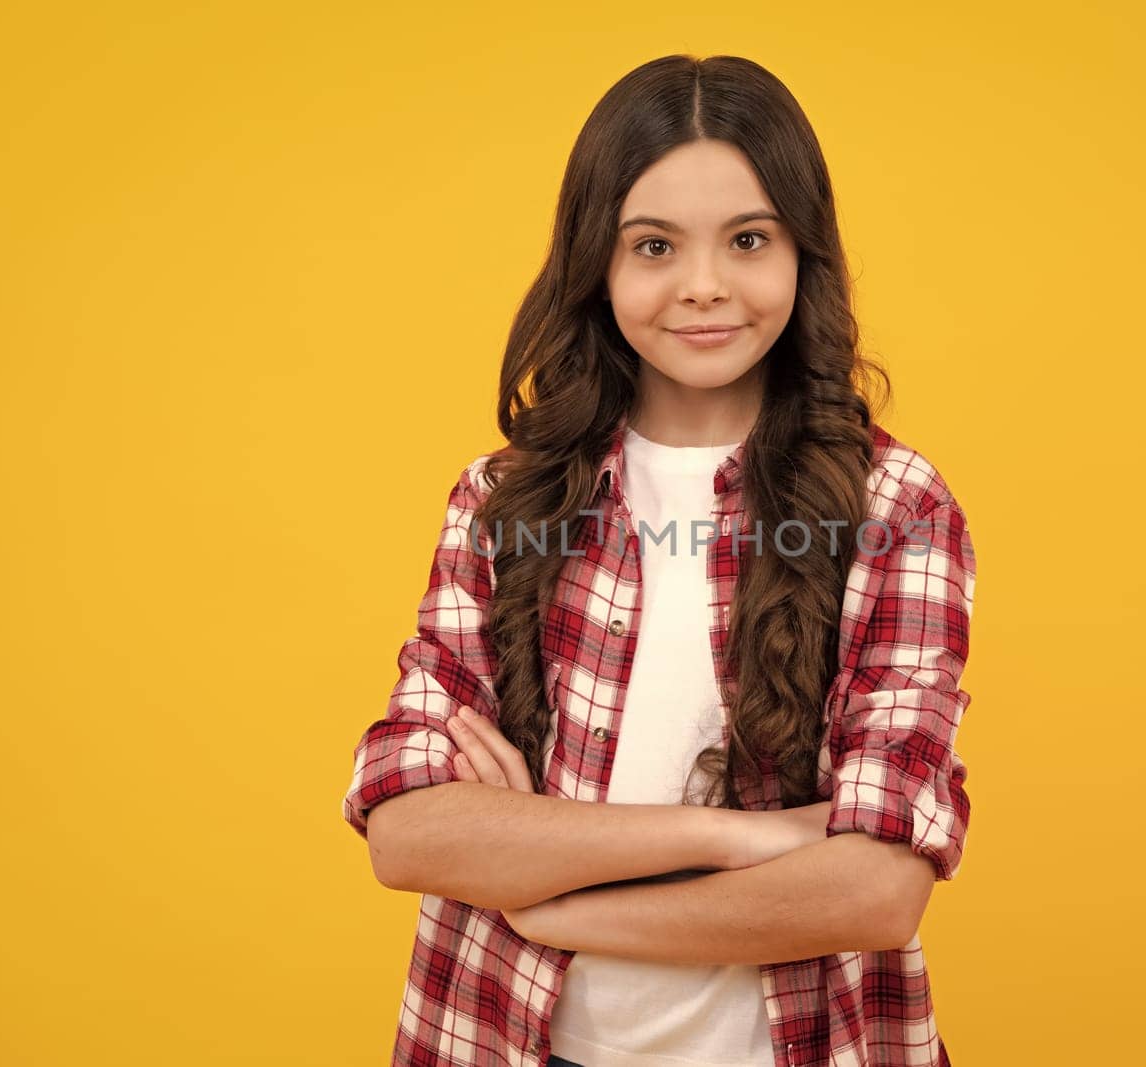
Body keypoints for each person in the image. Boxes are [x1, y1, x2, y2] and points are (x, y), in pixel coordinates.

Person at [342, 53, 977, 1067]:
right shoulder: (500, 503)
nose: (704, 287)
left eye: (748, 239)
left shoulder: (894, 509)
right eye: (653, 245)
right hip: (504, 1035)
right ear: (597, 260)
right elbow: (408, 831)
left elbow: (876, 887)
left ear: (802, 252)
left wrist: (546, 893)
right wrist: (737, 836)